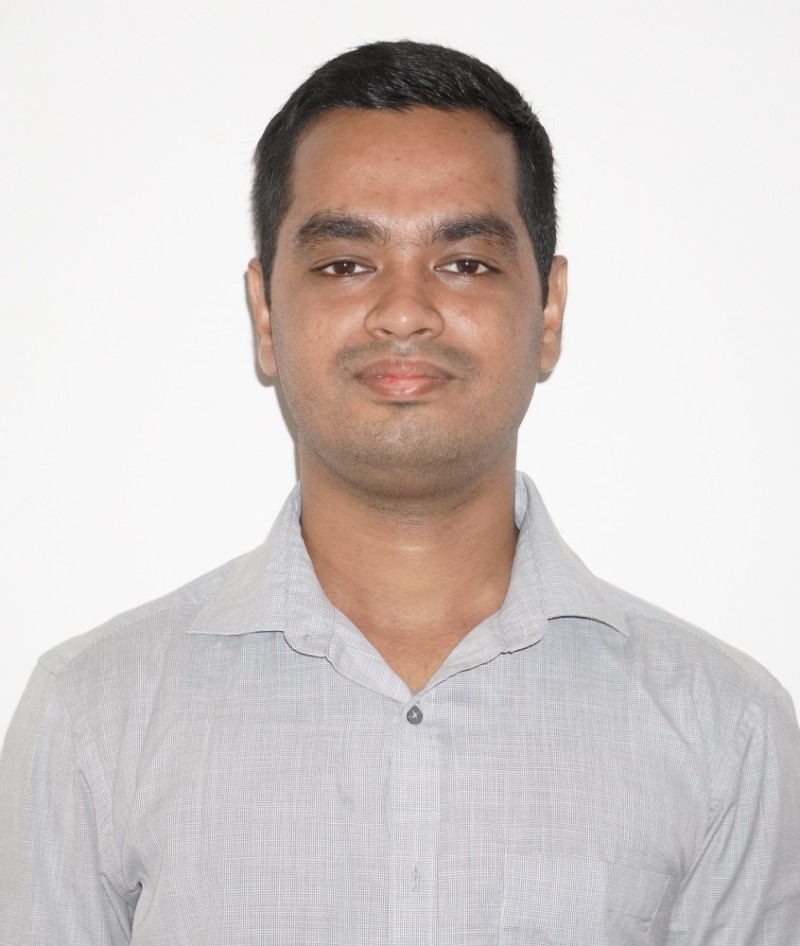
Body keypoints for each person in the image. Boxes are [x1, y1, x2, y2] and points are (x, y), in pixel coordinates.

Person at [1, 39, 798, 946]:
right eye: (346, 263)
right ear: (266, 315)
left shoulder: (724, 729)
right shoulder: (95, 716)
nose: (405, 311)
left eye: (465, 262)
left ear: (548, 311)